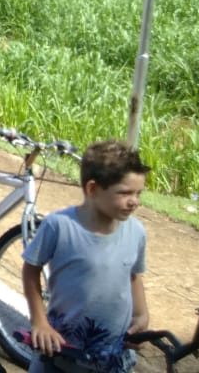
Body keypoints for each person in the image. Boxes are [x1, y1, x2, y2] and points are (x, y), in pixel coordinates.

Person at [22, 140, 151, 373]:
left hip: (114, 357)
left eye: (138, 193)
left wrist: (141, 315)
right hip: (60, 353)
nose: (134, 201)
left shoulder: (136, 232)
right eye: (124, 193)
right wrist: (39, 322)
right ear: (92, 189)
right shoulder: (59, 226)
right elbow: (31, 270)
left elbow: (132, 275)